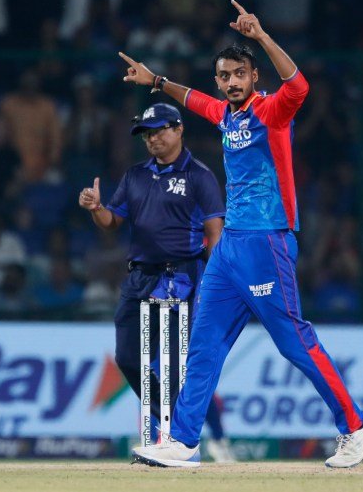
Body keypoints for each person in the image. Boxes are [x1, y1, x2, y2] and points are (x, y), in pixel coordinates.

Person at [121, 0, 363, 468]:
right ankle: (182, 441)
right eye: (224, 75)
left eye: (239, 73)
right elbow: (197, 101)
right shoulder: (227, 115)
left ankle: (356, 426)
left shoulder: (272, 112)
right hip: (229, 247)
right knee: (203, 344)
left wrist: (261, 37)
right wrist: (157, 81)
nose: (231, 82)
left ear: (253, 77)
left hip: (268, 242)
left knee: (292, 340)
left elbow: (299, 85)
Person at [78, 102, 235, 463]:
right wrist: (96, 208)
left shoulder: (199, 175)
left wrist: (217, 288)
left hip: (181, 275)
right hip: (139, 277)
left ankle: (178, 441)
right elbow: (112, 222)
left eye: (160, 130)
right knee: (128, 358)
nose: (153, 139)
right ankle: (177, 429)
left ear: (179, 129)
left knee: (176, 365)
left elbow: (216, 234)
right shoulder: (135, 175)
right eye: (148, 133)